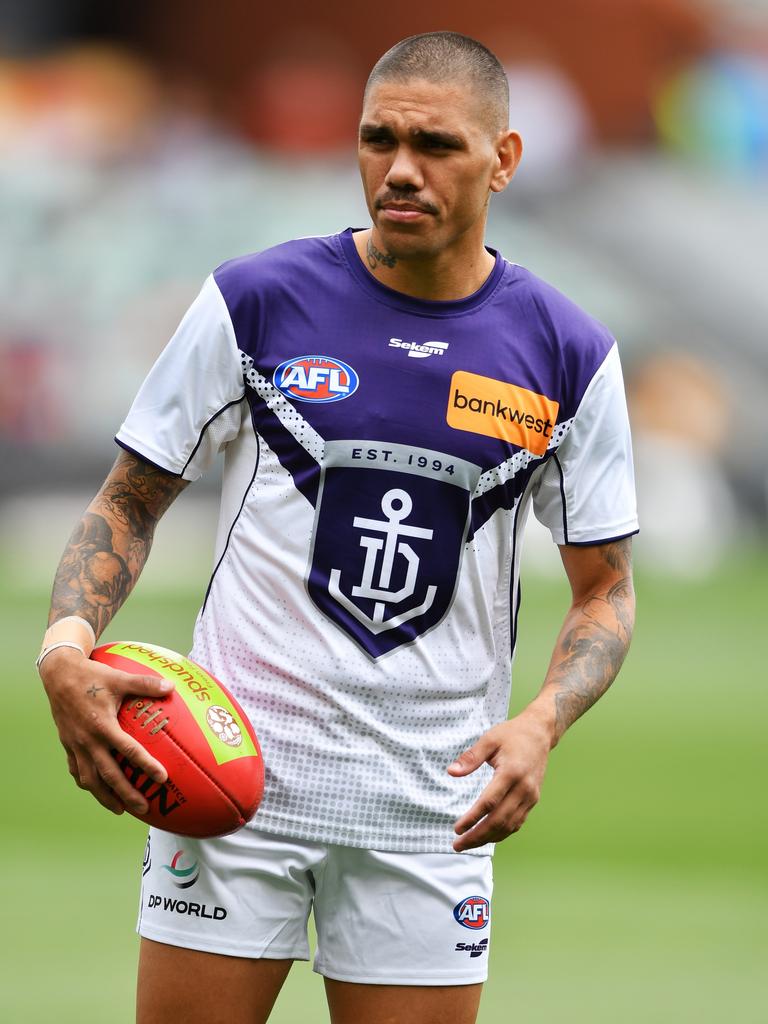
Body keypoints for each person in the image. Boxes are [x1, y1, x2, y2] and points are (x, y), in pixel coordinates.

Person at [37, 31, 637, 1024]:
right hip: (230, 786)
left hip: (429, 811)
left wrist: (543, 723)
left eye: (435, 144)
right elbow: (127, 503)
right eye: (378, 139)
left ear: (505, 159)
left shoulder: (568, 352)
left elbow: (605, 590)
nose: (399, 169)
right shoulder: (256, 300)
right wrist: (63, 648)